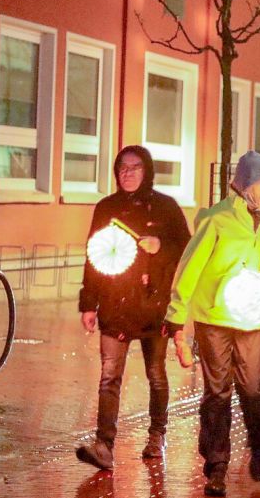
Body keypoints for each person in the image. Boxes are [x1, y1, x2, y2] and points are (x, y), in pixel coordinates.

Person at [164, 151, 260, 497]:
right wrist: (176, 315)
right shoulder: (217, 218)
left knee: (252, 385)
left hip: (255, 315)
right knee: (217, 391)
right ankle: (216, 466)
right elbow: (189, 266)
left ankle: (259, 438)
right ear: (247, 184)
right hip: (214, 316)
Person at [75, 145, 190, 471]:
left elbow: (187, 249)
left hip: (154, 307)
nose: (127, 173)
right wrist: (89, 303)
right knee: (109, 377)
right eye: (122, 167)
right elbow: (93, 257)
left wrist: (160, 247)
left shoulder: (166, 208)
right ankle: (103, 446)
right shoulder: (106, 208)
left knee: (156, 374)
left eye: (135, 167)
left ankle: (156, 435)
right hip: (115, 305)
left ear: (147, 171)